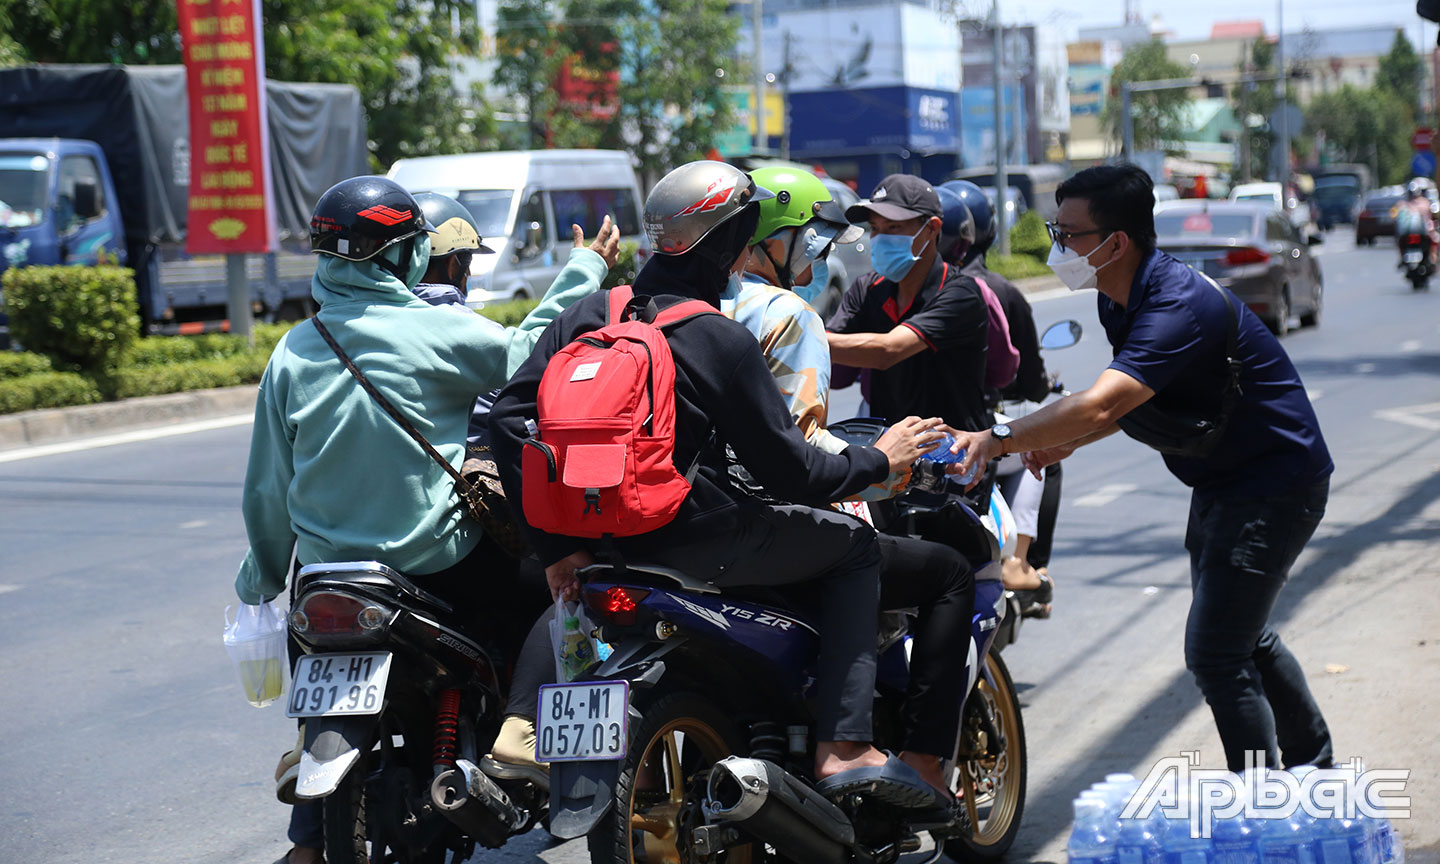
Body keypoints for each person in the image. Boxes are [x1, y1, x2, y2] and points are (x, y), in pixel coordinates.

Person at [488, 161, 946, 795]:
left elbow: (507, 425)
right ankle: (844, 747)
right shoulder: (718, 338)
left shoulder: (585, 317)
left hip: (602, 546)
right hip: (695, 537)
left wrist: (559, 549)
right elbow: (796, 473)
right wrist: (881, 460)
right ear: (730, 242)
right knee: (855, 549)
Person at [241, 177, 612, 864]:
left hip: (327, 574)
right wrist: (584, 272)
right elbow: (522, 355)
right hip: (434, 560)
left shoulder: (292, 348)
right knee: (558, 584)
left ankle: (307, 779)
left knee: (308, 614)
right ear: (403, 255)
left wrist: (260, 577)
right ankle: (519, 732)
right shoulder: (433, 327)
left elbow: (269, 487)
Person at [944, 164, 1335, 772]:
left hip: (1273, 485)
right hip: (1223, 482)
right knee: (1243, 637)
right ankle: (1316, 766)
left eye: (1068, 232)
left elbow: (1104, 399)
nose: (1057, 244)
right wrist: (1067, 442)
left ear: (1116, 242)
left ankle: (1261, 799)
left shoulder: (1173, 303)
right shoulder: (1119, 296)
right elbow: (1131, 400)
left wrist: (996, 439)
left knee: (1216, 654)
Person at [728, 165, 977, 794]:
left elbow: (877, 354)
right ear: (776, 242)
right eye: (817, 239)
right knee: (944, 572)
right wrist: (882, 465)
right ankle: (894, 756)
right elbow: (804, 441)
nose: (877, 238)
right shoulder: (801, 309)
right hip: (795, 503)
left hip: (682, 516)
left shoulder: (667, 308)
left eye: (892, 227)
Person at [942, 178, 1059, 613]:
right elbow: (1020, 374)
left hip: (892, 432)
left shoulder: (882, 291)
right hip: (964, 433)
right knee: (1038, 450)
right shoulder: (990, 292)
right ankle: (1020, 560)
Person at [825, 174, 993, 435]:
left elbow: (887, 351)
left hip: (953, 457)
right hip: (890, 455)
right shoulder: (868, 289)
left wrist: (797, 336)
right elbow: (833, 361)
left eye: (893, 227)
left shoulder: (960, 294)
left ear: (932, 228)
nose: (880, 239)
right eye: (876, 229)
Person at [1390, 183, 1437, 266]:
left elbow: (1432, 215)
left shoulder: (1424, 202)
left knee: (1434, 240)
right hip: (1408, 233)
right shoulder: (1402, 204)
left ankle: (1432, 258)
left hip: (1423, 233)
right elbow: (1393, 214)